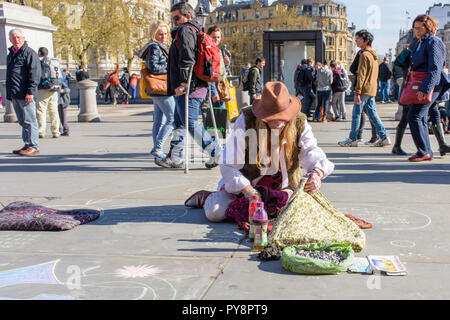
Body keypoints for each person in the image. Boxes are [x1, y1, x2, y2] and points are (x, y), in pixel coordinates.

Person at [201, 81, 334, 223]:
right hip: (247, 185)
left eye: (282, 118)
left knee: (304, 214)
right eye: (271, 119)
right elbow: (228, 164)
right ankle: (206, 198)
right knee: (215, 212)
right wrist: (248, 191)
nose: (277, 124)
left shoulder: (299, 122)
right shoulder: (246, 120)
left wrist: (317, 174)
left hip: (283, 186)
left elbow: (311, 150)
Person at [155, 1, 222, 169]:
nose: (174, 21)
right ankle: (175, 156)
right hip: (193, 85)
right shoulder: (192, 30)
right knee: (180, 122)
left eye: (177, 18)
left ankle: (215, 151)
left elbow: (187, 59)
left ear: (188, 16)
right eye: (173, 18)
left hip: (191, 87)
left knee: (190, 122)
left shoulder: (185, 30)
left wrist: (184, 83)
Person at [406, 15, 449, 161]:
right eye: (415, 28)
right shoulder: (419, 42)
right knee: (421, 116)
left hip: (432, 84)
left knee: (415, 116)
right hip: (422, 83)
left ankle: (424, 150)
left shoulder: (433, 42)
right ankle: (426, 150)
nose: (416, 31)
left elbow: (436, 69)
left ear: (428, 27)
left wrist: (425, 89)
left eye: (419, 28)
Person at [338, 29, 391, 147]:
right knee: (372, 113)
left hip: (363, 89)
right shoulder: (374, 57)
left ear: (366, 41)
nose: (356, 41)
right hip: (371, 88)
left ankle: (353, 139)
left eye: (358, 39)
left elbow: (361, 75)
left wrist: (357, 92)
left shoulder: (364, 55)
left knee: (356, 113)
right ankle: (384, 136)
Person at [137, 20, 176, 160]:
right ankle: (158, 147)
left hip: (156, 89)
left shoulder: (155, 46)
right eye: (160, 34)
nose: (163, 36)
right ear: (154, 34)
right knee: (173, 119)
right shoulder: (155, 47)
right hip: (161, 88)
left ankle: (157, 150)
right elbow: (154, 67)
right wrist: (171, 66)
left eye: (165, 34)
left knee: (159, 120)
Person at [6, 29, 41, 156]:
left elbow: (35, 74)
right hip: (15, 93)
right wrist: (10, 94)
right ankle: (27, 144)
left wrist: (30, 92)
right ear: (10, 39)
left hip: (26, 94)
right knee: (22, 121)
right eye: (14, 38)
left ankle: (33, 146)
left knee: (30, 120)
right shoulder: (11, 54)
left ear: (23, 38)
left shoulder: (29, 53)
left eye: (19, 37)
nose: (17, 40)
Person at [36, 47, 60, 139]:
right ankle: (56, 131)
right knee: (54, 111)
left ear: (39, 53)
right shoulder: (53, 62)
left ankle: (41, 131)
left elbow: (37, 75)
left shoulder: (40, 62)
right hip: (54, 88)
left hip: (43, 88)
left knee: (41, 111)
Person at [207, 25, 228, 109]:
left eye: (218, 37)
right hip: (215, 87)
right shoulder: (209, 51)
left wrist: (226, 65)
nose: (216, 39)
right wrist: (214, 92)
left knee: (220, 114)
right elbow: (210, 73)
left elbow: (221, 71)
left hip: (220, 86)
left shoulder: (218, 50)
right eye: (214, 37)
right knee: (217, 114)